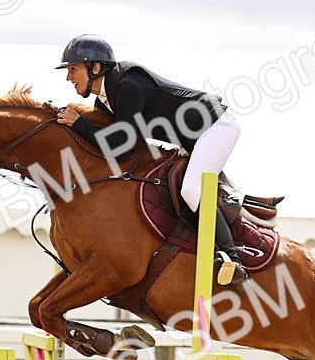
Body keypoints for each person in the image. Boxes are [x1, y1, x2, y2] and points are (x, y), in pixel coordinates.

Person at [55, 34, 247, 285]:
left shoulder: (127, 87)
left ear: (95, 67)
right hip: (192, 139)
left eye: (73, 69)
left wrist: (78, 123)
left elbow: (119, 146)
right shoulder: (106, 98)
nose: (69, 77)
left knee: (190, 189)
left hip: (215, 127)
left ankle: (231, 259)